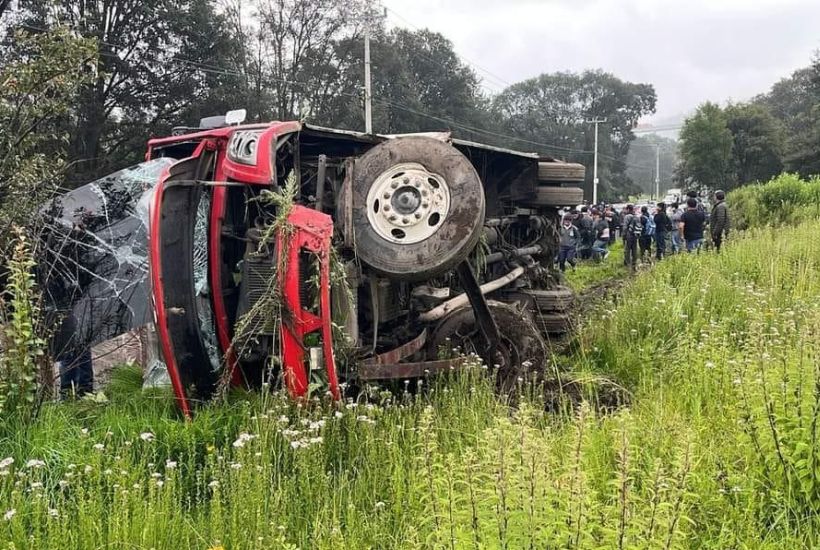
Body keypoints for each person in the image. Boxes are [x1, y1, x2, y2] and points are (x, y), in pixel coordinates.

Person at [621, 204, 641, 271]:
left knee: (627, 249)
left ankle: (627, 263)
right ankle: (634, 263)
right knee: (634, 249)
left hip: (629, 235)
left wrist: (623, 235)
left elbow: (625, 227)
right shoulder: (636, 216)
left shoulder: (627, 216)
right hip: (635, 235)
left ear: (628, 209)